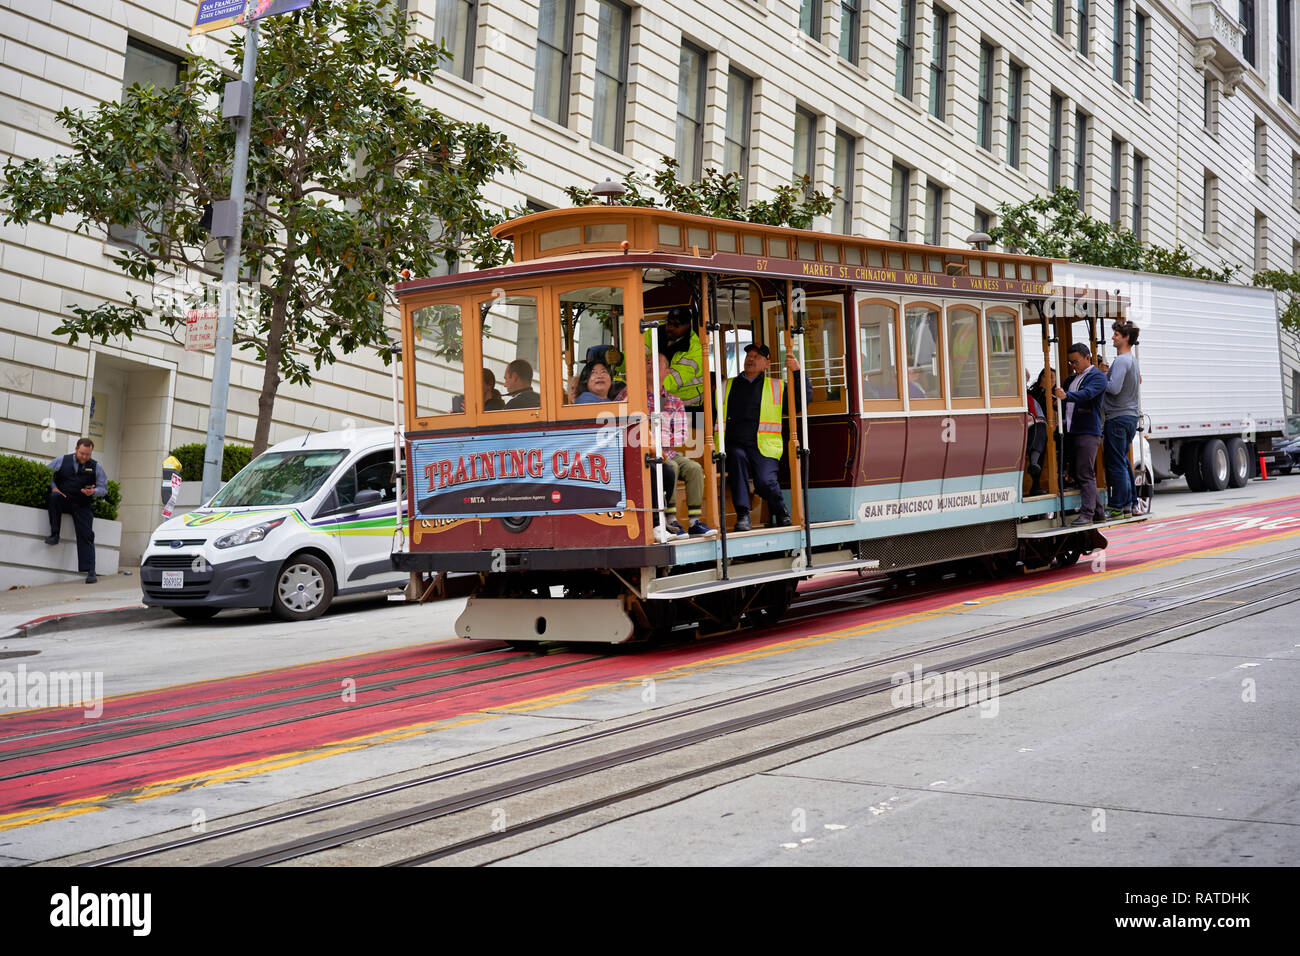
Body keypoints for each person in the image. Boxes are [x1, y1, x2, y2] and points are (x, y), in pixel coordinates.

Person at [722, 343, 811, 532]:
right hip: (735, 444)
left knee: (765, 482)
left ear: (767, 363)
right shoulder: (728, 385)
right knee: (737, 461)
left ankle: (781, 511)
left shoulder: (777, 386)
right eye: (749, 355)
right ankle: (743, 515)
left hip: (765, 446)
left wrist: (797, 373)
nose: (751, 359)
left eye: (757, 356)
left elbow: (801, 403)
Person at [646, 352, 715, 537]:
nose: (650, 364)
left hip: (668, 452)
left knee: (694, 468)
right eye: (647, 361)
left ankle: (694, 522)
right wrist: (654, 440)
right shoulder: (633, 395)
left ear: (667, 371)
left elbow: (682, 435)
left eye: (656, 362)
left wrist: (656, 438)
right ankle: (670, 519)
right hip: (646, 453)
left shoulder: (674, 401)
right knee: (672, 466)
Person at [1054, 343, 1108, 526]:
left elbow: (1087, 394)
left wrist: (1066, 396)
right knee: (1079, 472)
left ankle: (1087, 514)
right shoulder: (1071, 379)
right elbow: (1064, 400)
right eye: (1071, 362)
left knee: (1085, 472)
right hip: (1070, 430)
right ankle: (1099, 511)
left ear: (1088, 357)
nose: (1074, 365)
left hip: (1088, 431)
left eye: (1076, 361)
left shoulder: (1098, 377)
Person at [45, 437, 108, 584]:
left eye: (88, 454)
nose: (84, 457)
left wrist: (93, 492)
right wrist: (54, 487)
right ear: (76, 449)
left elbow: (103, 488)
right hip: (64, 498)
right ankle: (55, 534)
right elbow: (46, 474)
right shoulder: (62, 460)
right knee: (54, 496)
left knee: (87, 534)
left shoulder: (96, 466)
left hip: (83, 504)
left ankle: (91, 571)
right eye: (82, 453)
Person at [1098, 320, 1141, 518]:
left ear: (1126, 338)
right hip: (1130, 416)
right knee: (1123, 462)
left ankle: (1116, 506)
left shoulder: (1122, 360)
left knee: (1115, 463)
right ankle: (1129, 504)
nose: (1113, 337)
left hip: (1118, 417)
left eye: (1116, 334)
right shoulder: (1132, 360)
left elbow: (1114, 388)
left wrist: (1101, 378)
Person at [652, 306, 705, 409]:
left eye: (676, 325)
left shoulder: (695, 349)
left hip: (692, 407)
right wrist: (621, 360)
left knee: (697, 425)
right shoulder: (654, 333)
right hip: (661, 403)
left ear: (687, 325)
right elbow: (636, 356)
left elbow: (673, 380)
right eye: (668, 323)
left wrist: (646, 388)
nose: (670, 328)